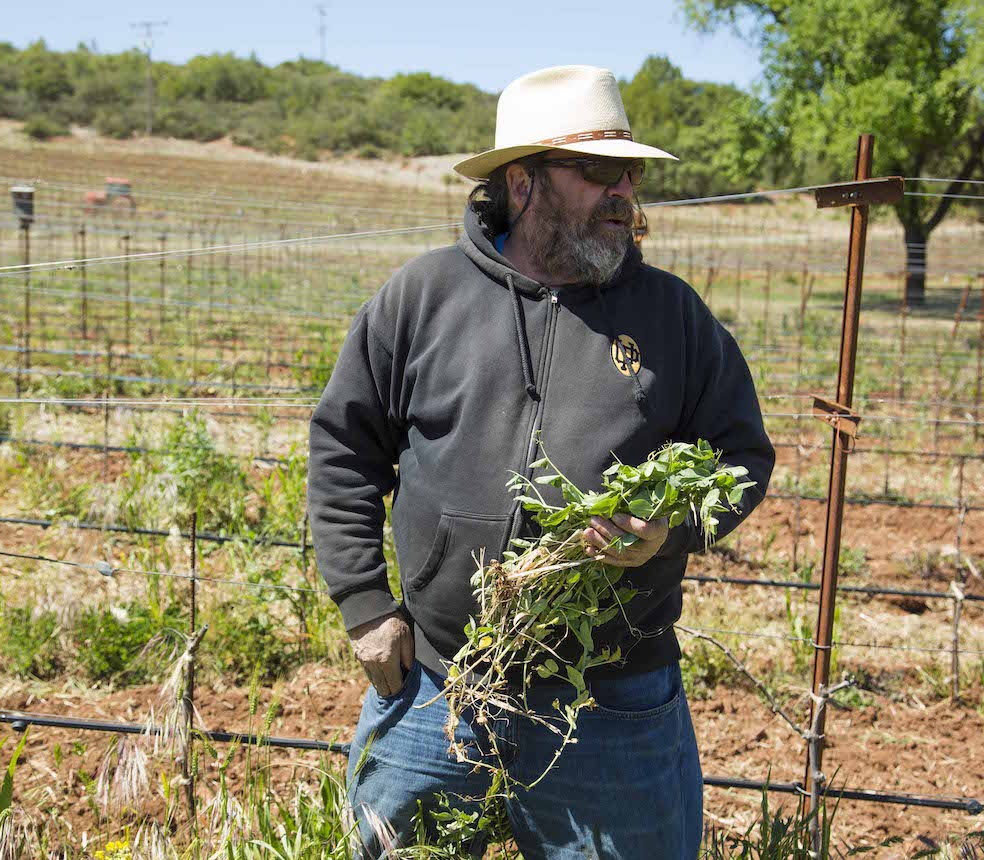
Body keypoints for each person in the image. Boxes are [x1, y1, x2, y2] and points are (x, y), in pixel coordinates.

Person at [308, 65, 775, 859]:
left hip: (614, 700)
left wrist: (670, 526)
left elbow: (742, 454)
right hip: (435, 687)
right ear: (520, 183)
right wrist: (364, 603)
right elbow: (345, 448)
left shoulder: (674, 319)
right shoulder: (421, 298)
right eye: (598, 172)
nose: (625, 190)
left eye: (631, 172)